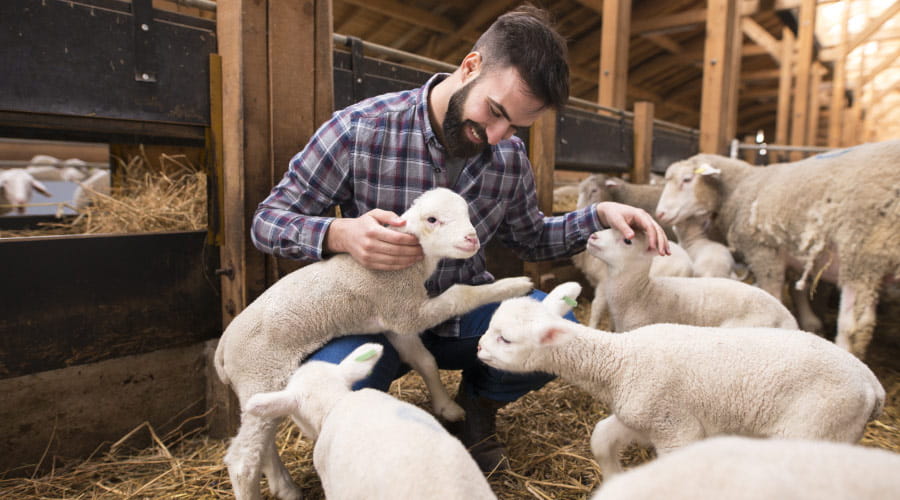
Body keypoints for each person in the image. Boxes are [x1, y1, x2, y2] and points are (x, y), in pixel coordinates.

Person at [251, 4, 669, 472]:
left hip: (460, 317)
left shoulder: (508, 156)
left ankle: (475, 410)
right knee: (333, 389)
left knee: (556, 325)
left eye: (515, 126)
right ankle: (371, 453)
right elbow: (268, 221)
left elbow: (530, 238)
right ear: (471, 66)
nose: (496, 136)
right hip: (374, 318)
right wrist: (339, 233)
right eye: (494, 112)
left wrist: (596, 215)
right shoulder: (361, 129)